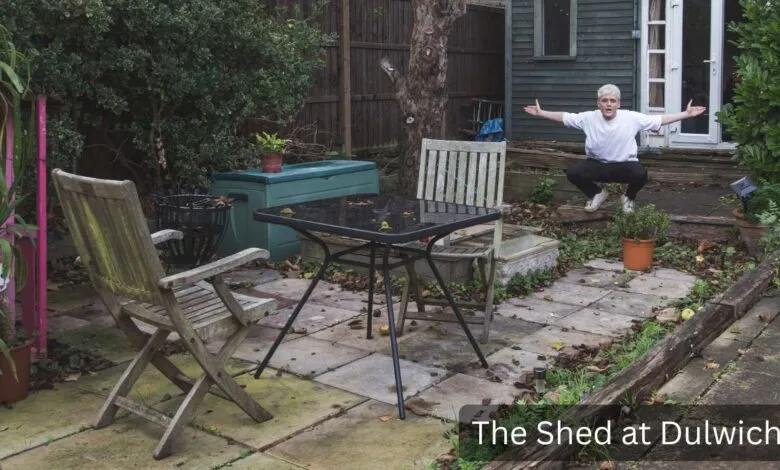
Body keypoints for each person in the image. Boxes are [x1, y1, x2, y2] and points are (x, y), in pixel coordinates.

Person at [523, 84, 706, 213]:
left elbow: (659, 120)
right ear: (599, 104)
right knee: (573, 172)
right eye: (604, 100)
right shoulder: (588, 118)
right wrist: (541, 113)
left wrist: (686, 114)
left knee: (641, 173)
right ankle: (597, 194)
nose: (608, 104)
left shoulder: (631, 117)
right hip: (597, 165)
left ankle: (628, 198)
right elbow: (564, 117)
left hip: (624, 166)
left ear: (618, 104)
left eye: (612, 100)